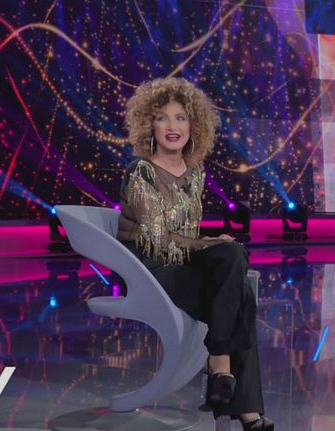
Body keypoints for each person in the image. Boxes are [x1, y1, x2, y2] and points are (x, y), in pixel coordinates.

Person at [117, 77, 273, 431]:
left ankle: (222, 377)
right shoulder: (140, 171)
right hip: (149, 268)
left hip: (180, 261)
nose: (172, 126)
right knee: (240, 293)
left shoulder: (194, 172)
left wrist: (215, 244)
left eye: (181, 117)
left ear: (193, 125)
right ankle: (236, 393)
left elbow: (185, 236)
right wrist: (210, 243)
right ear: (149, 125)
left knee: (233, 256)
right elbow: (158, 239)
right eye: (163, 118)